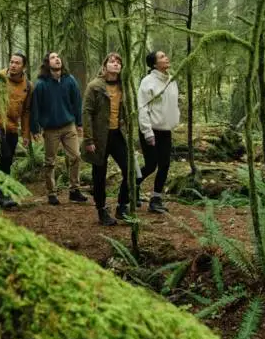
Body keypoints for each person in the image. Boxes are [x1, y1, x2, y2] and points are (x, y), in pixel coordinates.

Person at [31, 50, 87, 206]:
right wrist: (35, 128)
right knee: (50, 162)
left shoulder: (70, 80)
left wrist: (79, 123)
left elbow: (77, 103)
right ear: (47, 63)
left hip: (69, 126)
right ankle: (51, 193)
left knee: (75, 156)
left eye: (58, 57)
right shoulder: (41, 84)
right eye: (53, 58)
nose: (57, 60)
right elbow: (35, 107)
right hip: (50, 129)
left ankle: (74, 190)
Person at [81, 53, 130, 225]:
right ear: (105, 66)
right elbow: (86, 112)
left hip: (117, 135)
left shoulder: (124, 86)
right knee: (99, 175)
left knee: (128, 169)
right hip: (99, 137)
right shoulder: (94, 86)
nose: (116, 64)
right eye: (112, 61)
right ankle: (101, 209)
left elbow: (127, 110)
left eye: (119, 62)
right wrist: (88, 139)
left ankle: (122, 206)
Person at [137, 49, 179, 214]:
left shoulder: (171, 80)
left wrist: (174, 120)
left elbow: (173, 104)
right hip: (151, 130)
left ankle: (155, 199)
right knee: (150, 165)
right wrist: (147, 132)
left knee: (165, 164)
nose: (166, 57)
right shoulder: (148, 82)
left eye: (165, 55)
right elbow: (143, 107)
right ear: (154, 64)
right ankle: (131, 186)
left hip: (165, 130)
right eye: (162, 57)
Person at [0, 52, 32, 209]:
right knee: (5, 156)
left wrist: (26, 134)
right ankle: (1, 194)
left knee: (7, 161)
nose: (13, 65)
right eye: (11, 62)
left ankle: (3, 191)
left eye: (17, 63)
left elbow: (26, 111)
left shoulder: (27, 86)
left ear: (23, 67)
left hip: (13, 127)